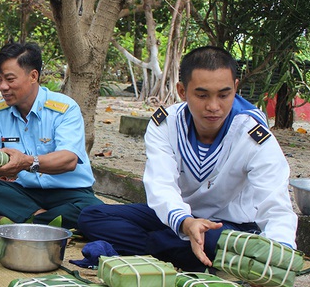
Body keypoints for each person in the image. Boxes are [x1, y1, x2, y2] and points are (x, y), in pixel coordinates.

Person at [77, 46, 298, 272]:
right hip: (182, 218)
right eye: (202, 95)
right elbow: (161, 185)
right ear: (182, 91)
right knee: (91, 216)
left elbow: (275, 202)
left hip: (225, 226)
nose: (213, 106)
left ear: (236, 88)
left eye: (224, 94)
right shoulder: (165, 124)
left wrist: (277, 256)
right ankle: (190, 255)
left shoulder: (253, 134)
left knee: (214, 242)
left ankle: (166, 249)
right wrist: (186, 223)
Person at [0, 42, 102, 229]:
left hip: (68, 192)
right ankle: (41, 219)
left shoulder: (65, 108)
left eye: (10, 79)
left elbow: (68, 160)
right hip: (22, 191)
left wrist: (27, 162)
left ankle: (16, 220)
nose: (3, 87)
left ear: (33, 76)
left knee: (94, 212)